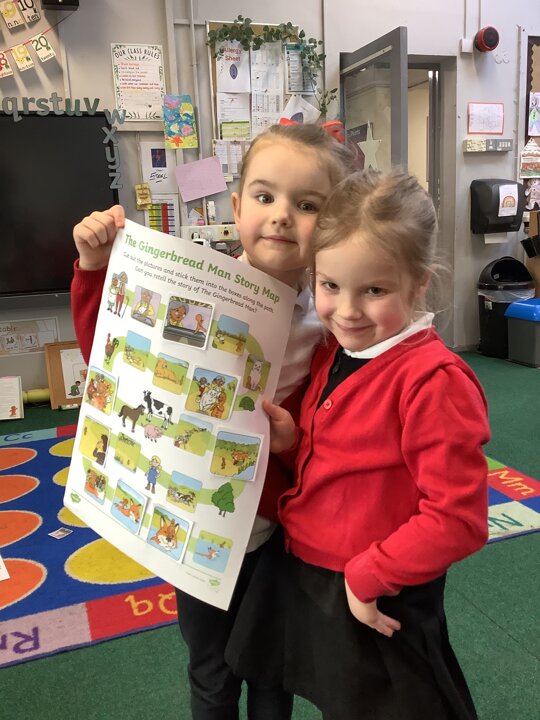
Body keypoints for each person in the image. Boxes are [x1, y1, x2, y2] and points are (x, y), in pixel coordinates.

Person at [70, 121, 359, 720]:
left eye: (308, 205)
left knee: (274, 671)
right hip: (194, 527)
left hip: (281, 532)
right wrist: (94, 267)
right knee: (211, 671)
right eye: (265, 196)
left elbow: (342, 430)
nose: (281, 216)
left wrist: (292, 443)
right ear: (236, 206)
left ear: (331, 223)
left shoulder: (332, 319)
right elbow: (115, 355)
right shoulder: (194, 285)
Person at [253, 169, 491, 720]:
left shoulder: (433, 381)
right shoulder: (337, 350)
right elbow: (344, 459)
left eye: (375, 290)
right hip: (321, 576)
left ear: (419, 283)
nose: (347, 311)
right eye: (330, 286)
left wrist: (369, 576)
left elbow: (458, 518)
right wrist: (292, 444)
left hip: (381, 590)